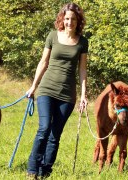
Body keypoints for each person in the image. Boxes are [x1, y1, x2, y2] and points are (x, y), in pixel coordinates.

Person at [25, 2, 88, 179]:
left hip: (67, 95)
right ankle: (32, 170)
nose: (70, 22)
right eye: (67, 18)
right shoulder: (53, 36)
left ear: (78, 21)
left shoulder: (82, 42)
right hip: (46, 89)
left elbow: (82, 70)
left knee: (55, 135)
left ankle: (45, 171)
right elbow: (43, 62)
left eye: (73, 19)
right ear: (62, 19)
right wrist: (33, 86)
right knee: (44, 128)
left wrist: (83, 95)